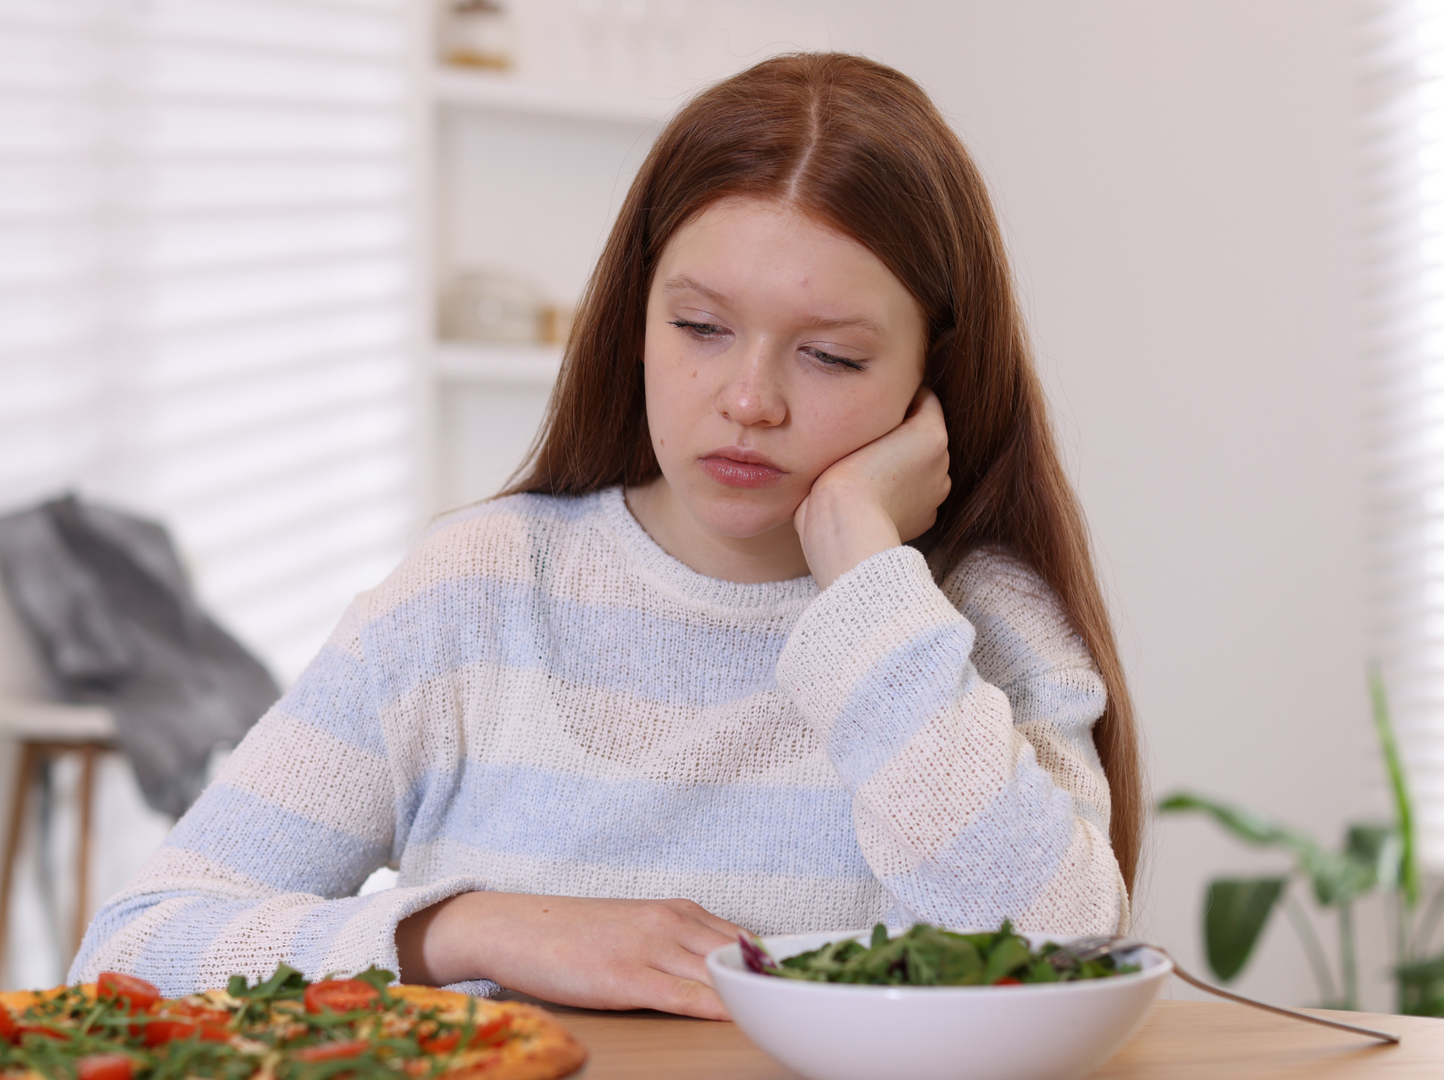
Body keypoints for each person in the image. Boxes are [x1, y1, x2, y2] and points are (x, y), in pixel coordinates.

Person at [68, 52, 1143, 1022]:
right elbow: (132, 952)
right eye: (700, 328)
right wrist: (467, 928)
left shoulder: (974, 622)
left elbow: (1058, 958)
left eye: (831, 357)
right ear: (635, 314)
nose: (749, 400)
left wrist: (865, 572)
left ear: (930, 376)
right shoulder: (473, 593)